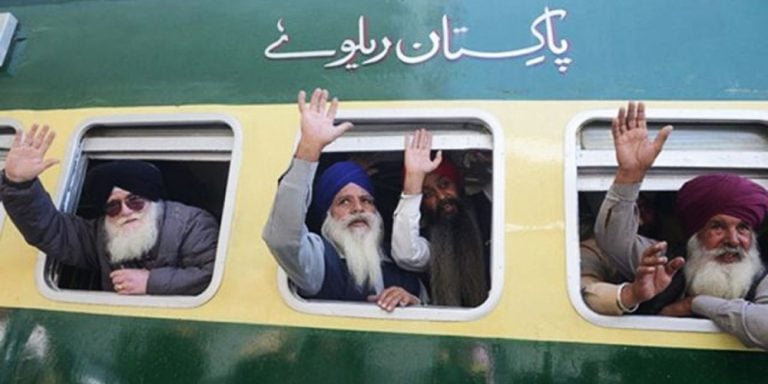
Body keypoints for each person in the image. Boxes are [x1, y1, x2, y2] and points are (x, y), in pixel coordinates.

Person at [594, 101, 768, 349]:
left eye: (743, 229)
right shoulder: (666, 261)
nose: (733, 240)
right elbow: (613, 240)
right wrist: (630, 176)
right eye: (718, 227)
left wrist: (693, 304)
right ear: (696, 233)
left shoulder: (762, 274)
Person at [0, 124, 219, 295]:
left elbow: (214, 276)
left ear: (152, 199)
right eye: (113, 206)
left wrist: (150, 282)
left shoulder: (193, 224)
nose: (125, 211)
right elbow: (50, 231)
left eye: (135, 200)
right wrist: (19, 185)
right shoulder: (101, 234)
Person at [262, 88, 423, 312]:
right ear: (327, 213)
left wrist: (414, 302)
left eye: (366, 200)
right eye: (344, 202)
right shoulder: (318, 260)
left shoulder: (396, 260)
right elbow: (281, 238)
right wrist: (310, 147)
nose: (358, 208)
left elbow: (429, 303)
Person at [391, 128, 488, 307]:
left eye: (445, 184)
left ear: (457, 184)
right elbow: (406, 255)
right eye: (428, 194)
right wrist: (413, 181)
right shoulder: (432, 242)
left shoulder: (489, 213)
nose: (442, 197)